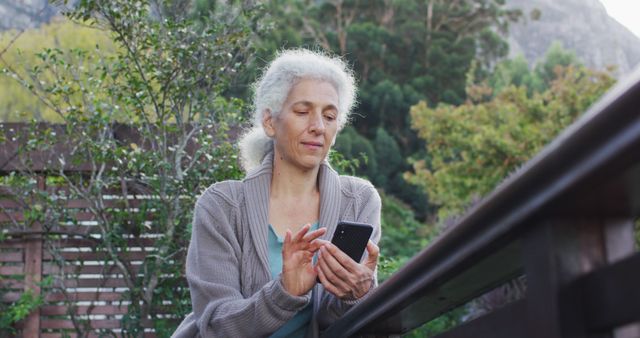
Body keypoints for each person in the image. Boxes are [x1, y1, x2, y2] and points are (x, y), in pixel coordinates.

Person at [172, 49, 381, 338]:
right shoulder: (222, 206)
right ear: (270, 122)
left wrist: (358, 293)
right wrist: (284, 293)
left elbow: (340, 321)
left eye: (329, 116)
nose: (318, 127)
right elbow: (216, 325)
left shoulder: (358, 200)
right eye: (302, 112)